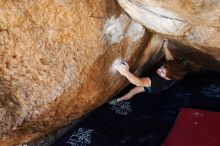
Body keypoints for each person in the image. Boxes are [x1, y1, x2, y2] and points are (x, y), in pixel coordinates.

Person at [113, 40, 187, 102]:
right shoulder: (172, 69)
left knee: (134, 90)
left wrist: (126, 73)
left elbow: (140, 82)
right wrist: (165, 47)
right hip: (164, 79)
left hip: (154, 88)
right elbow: (170, 59)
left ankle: (118, 100)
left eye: (162, 72)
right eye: (162, 67)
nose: (159, 69)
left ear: (168, 78)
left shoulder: (156, 82)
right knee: (169, 64)